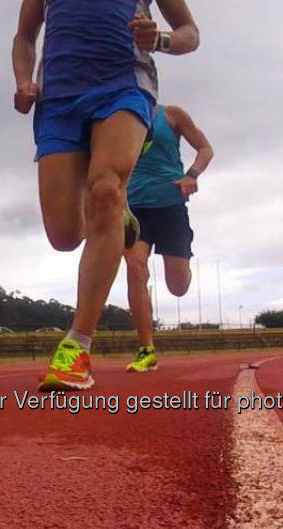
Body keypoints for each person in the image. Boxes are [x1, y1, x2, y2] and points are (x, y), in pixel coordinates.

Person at [12, 0, 199, 391]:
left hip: (124, 86)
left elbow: (189, 33)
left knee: (105, 188)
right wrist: (24, 79)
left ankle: (77, 346)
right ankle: (120, 217)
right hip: (59, 99)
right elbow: (25, 35)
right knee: (63, 235)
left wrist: (160, 39)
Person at [123, 104, 213, 372]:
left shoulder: (172, 115)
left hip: (170, 205)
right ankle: (145, 349)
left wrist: (191, 174)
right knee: (135, 267)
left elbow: (205, 149)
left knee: (178, 286)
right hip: (133, 207)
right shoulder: (117, 116)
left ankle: (184, 260)